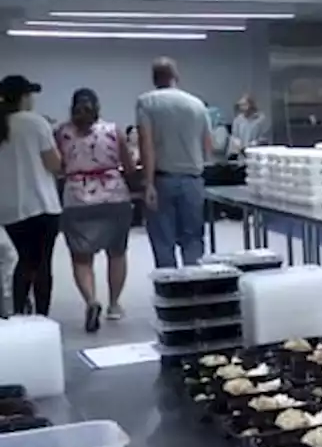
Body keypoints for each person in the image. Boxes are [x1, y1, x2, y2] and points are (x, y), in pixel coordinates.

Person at [54, 88, 135, 331]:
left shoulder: (60, 133)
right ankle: (114, 305)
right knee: (117, 253)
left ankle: (91, 300)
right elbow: (129, 167)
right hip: (115, 197)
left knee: (81, 257)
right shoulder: (114, 131)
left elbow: (57, 166)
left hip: (77, 199)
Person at [136, 57, 212, 269]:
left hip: (162, 181)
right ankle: (195, 291)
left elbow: (146, 144)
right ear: (176, 76)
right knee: (193, 240)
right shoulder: (197, 105)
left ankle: (171, 292)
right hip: (193, 180)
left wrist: (148, 183)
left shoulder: (146, 102)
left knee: (163, 241)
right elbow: (208, 145)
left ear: (153, 78)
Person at [0, 75, 61, 316]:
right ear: (24, 97)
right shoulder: (35, 123)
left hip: (10, 209)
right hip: (42, 205)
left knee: (24, 261)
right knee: (42, 263)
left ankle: (17, 314)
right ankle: (41, 317)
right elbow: (54, 163)